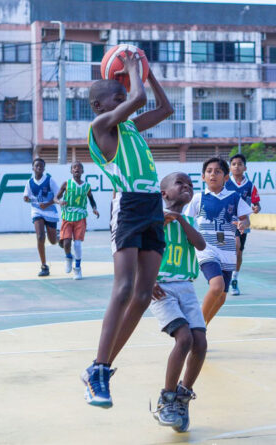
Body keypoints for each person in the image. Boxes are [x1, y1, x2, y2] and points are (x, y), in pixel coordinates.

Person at [82, 51, 174, 408]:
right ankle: (99, 369)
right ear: (98, 105)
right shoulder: (100, 128)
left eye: (124, 96)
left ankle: (101, 367)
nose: (126, 102)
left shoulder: (131, 126)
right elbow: (137, 99)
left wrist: (147, 73)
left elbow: (165, 108)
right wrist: (133, 70)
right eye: (116, 98)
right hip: (129, 206)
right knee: (122, 289)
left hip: (152, 204)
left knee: (143, 292)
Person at [149, 172, 207, 433]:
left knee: (200, 343)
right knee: (184, 339)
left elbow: (201, 244)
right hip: (161, 288)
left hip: (187, 287)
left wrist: (181, 219)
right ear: (164, 193)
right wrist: (147, 280)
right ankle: (167, 398)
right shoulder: (153, 219)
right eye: (180, 183)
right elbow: (143, 250)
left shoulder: (189, 220)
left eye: (190, 185)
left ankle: (184, 396)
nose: (186, 187)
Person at [185, 157, 251, 326]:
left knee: (221, 297)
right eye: (209, 171)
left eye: (218, 171)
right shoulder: (198, 198)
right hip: (206, 249)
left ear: (226, 177)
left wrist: (243, 224)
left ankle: (203, 326)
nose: (213, 174)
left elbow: (246, 220)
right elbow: (185, 221)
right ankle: (196, 326)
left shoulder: (234, 197)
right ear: (203, 176)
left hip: (228, 251)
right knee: (216, 286)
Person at [55, 161, 99, 280]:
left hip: (80, 217)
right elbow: (55, 197)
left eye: (79, 168)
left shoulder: (86, 186)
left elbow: (91, 200)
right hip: (67, 217)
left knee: (78, 244)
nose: (76, 169)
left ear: (82, 171)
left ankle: (78, 269)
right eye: (74, 167)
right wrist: (59, 202)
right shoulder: (66, 184)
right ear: (71, 171)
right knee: (67, 243)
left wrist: (94, 209)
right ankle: (68, 257)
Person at [225, 153, 260, 296]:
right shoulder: (226, 183)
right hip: (227, 221)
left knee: (238, 251)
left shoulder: (250, 186)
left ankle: (234, 279)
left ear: (245, 167)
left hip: (242, 222)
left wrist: (256, 208)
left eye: (239, 164)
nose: (237, 166)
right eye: (233, 164)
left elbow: (256, 204)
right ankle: (222, 276)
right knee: (232, 247)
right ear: (230, 167)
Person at [23, 158, 59, 276]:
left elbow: (58, 196)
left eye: (41, 166)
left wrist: (48, 204)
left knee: (52, 241)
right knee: (40, 237)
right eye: (36, 166)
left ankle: (59, 237)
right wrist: (26, 199)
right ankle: (44, 266)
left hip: (50, 212)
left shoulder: (50, 180)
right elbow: (26, 197)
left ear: (44, 168)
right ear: (33, 168)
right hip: (37, 211)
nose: (39, 167)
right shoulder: (29, 183)